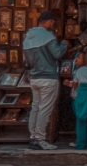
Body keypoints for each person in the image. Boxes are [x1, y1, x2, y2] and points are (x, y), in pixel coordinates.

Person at [21, 11, 69, 150]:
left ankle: (33, 137)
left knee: (35, 108)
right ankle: (40, 139)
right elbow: (57, 53)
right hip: (48, 77)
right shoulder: (48, 36)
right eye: (53, 22)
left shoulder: (28, 37)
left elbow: (28, 61)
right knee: (44, 110)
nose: (53, 25)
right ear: (49, 22)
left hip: (35, 77)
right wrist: (64, 44)